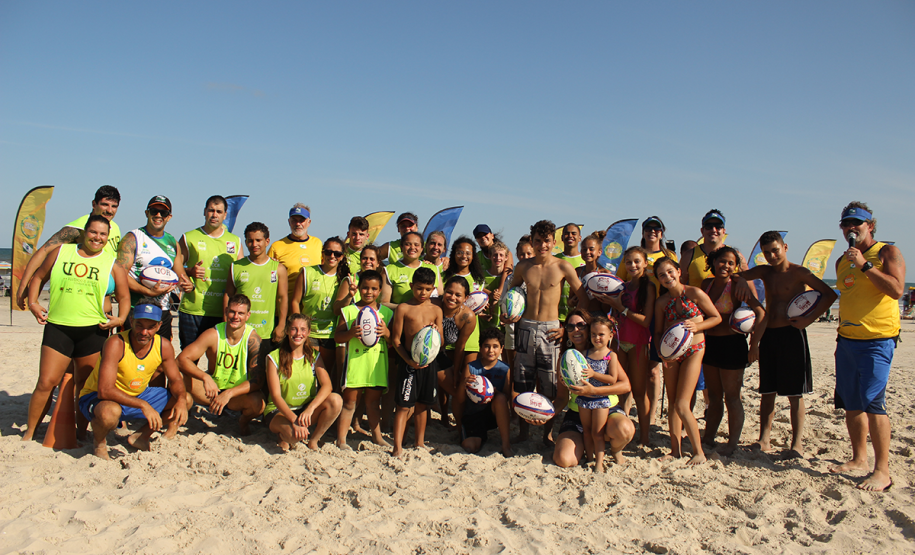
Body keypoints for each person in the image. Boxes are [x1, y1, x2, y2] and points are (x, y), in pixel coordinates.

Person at [23, 215, 130, 442]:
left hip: (93, 331)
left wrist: (120, 319)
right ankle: (30, 433)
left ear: (107, 237)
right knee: (46, 382)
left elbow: (124, 296)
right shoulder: (61, 252)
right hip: (59, 327)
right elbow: (39, 276)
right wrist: (33, 303)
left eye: (102, 234)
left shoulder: (112, 263)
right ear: (84, 232)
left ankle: (81, 433)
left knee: (84, 387)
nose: (97, 238)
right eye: (93, 232)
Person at [733, 231, 835, 459]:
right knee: (767, 391)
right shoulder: (765, 272)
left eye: (775, 250)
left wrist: (809, 319)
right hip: (769, 334)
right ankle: (764, 439)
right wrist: (740, 278)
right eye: (766, 252)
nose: (771, 256)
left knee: (794, 393)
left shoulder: (800, 272)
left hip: (792, 334)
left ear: (785, 247)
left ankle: (797, 444)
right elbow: (739, 275)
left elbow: (828, 294)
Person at [828, 203, 904, 492]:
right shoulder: (841, 261)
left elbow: (897, 290)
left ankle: (882, 470)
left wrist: (865, 265)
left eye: (857, 223)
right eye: (847, 223)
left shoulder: (887, 253)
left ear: (870, 225)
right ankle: (859, 459)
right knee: (852, 402)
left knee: (874, 404)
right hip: (847, 340)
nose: (852, 228)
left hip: (877, 341)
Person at [507, 220, 590, 446]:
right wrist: (508, 314)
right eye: (537, 241)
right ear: (531, 242)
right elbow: (513, 293)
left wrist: (567, 328)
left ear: (554, 242)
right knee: (523, 382)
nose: (542, 245)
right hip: (525, 327)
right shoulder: (523, 267)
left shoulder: (563, 266)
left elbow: (582, 298)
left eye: (546, 241)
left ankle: (547, 435)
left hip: (551, 329)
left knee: (549, 385)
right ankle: (524, 433)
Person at [78, 300, 188, 459]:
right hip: (98, 397)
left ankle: (141, 436)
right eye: (139, 325)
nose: (144, 332)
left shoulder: (163, 345)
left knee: (185, 400)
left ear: (158, 326)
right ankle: (99, 443)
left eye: (150, 327)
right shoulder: (116, 343)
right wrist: (143, 405)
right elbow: (104, 390)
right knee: (109, 413)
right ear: (131, 321)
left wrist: (182, 400)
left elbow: (176, 380)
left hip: (136, 394)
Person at [653, 257, 721, 465]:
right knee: (673, 403)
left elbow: (716, 317)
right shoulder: (662, 302)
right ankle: (675, 451)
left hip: (694, 350)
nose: (667, 277)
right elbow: (657, 332)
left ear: (679, 271)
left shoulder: (695, 293)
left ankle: (698, 452)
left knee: (683, 404)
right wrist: (661, 353)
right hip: (671, 354)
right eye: (662, 275)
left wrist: (697, 326)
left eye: (670, 272)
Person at [699, 246, 766, 456]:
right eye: (722, 261)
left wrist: (754, 344)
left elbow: (761, 312)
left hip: (733, 345)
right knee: (714, 396)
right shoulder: (706, 284)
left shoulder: (737, 285)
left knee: (732, 397)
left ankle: (732, 442)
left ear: (735, 267)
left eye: (730, 263)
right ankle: (709, 437)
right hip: (710, 345)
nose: (725, 266)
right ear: (713, 261)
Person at [17, 185, 122, 310]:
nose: (109, 210)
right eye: (105, 204)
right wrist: (24, 288)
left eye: (114, 206)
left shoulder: (114, 227)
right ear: (94, 204)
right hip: (77, 296)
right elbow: (44, 252)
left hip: (103, 299)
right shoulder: (78, 228)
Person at [553, 309, 635, 468]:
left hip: (606, 407)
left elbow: (625, 385)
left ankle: (615, 450)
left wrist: (595, 391)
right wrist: (545, 415)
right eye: (570, 327)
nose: (575, 330)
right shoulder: (565, 359)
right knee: (564, 459)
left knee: (624, 430)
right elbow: (562, 398)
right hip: (578, 412)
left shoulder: (605, 355)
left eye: (580, 325)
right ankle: (586, 448)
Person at [176, 294, 265, 435]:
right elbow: (181, 359)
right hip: (212, 391)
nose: (235, 316)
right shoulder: (213, 334)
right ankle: (175, 417)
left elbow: (257, 381)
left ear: (248, 315)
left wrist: (229, 393)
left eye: (240, 313)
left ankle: (243, 422)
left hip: (236, 395)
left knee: (258, 403)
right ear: (226, 311)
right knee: (177, 376)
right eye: (232, 312)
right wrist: (205, 378)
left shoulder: (253, 339)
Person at [264, 313, 343, 451]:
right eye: (294, 329)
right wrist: (294, 419)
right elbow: (276, 396)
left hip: (304, 409)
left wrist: (310, 408)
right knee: (294, 436)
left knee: (336, 400)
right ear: (287, 331)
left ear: (308, 332)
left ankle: (313, 440)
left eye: (302, 329)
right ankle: (282, 435)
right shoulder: (274, 357)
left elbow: (327, 386)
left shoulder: (313, 355)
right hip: (280, 411)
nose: (298, 333)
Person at [334, 270, 393, 448]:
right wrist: (350, 333)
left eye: (374, 289)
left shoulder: (387, 314)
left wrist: (387, 333)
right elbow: (337, 337)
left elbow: (393, 342)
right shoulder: (348, 311)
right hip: (355, 364)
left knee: (373, 404)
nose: (369, 292)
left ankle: (377, 437)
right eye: (365, 288)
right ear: (358, 288)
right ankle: (341, 439)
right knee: (350, 402)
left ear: (380, 290)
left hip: (376, 365)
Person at [604, 247, 656, 446]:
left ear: (645, 263)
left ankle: (644, 437)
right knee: (616, 390)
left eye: (636, 261)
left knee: (639, 393)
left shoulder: (648, 287)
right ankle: (616, 432)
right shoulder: (622, 286)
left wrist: (621, 308)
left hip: (637, 344)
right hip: (618, 342)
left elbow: (645, 320)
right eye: (628, 262)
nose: (632, 265)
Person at [389, 267, 443, 458]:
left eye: (427, 289)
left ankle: (419, 442)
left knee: (422, 405)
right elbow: (396, 340)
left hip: (429, 365)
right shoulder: (404, 308)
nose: (423, 293)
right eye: (419, 288)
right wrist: (408, 361)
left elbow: (441, 342)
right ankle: (397, 446)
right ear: (411, 286)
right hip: (408, 364)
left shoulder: (436, 310)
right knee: (403, 406)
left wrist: (435, 331)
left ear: (433, 289)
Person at [177, 195, 242, 349]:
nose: (214, 215)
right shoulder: (189, 237)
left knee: (218, 361)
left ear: (225, 215)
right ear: (204, 212)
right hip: (193, 309)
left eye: (219, 211)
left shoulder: (235, 241)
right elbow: (176, 267)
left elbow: (240, 275)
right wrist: (189, 271)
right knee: (188, 357)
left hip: (222, 311)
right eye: (211, 210)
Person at [115, 195, 183, 340]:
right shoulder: (132, 238)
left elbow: (180, 275)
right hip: (135, 308)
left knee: (160, 357)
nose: (158, 215)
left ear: (169, 217)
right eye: (154, 211)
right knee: (128, 357)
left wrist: (188, 283)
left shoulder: (172, 242)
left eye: (163, 212)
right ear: (147, 213)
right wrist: (148, 291)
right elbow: (119, 275)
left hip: (161, 310)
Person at [292, 236, 350, 390]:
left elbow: (339, 309)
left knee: (326, 374)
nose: (332, 256)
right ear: (323, 253)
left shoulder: (344, 278)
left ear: (342, 257)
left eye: (337, 254)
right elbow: (295, 301)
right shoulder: (307, 272)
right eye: (329, 252)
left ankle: (322, 409)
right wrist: (299, 328)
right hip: (309, 333)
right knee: (308, 374)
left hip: (330, 333)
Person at [225, 222, 288, 346]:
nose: (254, 244)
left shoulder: (278, 268)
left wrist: (281, 325)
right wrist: (226, 321)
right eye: (250, 241)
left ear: (267, 241)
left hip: (266, 332)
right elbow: (228, 295)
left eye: (258, 240)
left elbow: (282, 298)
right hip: (239, 331)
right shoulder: (236, 266)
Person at [576, 315, 621, 473]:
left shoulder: (611, 356)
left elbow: (612, 379)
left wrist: (594, 374)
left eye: (601, 334)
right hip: (583, 399)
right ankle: (589, 458)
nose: (597, 338)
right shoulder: (584, 353)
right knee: (587, 431)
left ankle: (599, 463)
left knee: (598, 432)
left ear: (610, 335)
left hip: (601, 399)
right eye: (593, 334)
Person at [460, 328, 513, 457]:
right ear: (480, 347)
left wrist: (494, 393)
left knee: (500, 398)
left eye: (495, 347)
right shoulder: (471, 368)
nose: (491, 350)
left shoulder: (505, 369)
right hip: (474, 414)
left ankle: (506, 445)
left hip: (493, 414)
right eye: (487, 346)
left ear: (501, 349)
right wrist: (464, 385)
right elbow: (459, 399)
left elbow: (507, 397)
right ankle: (478, 435)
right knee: (470, 447)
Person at [434, 276, 478, 429]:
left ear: (466, 298)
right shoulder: (434, 305)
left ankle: (461, 427)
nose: (452, 297)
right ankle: (445, 419)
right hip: (424, 353)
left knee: (457, 389)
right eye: (449, 292)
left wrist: (456, 372)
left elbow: (460, 347)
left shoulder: (468, 317)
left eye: (458, 295)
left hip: (440, 354)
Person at [267, 204, 322, 301]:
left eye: (302, 220)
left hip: (311, 307)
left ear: (309, 222)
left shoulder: (318, 243)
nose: (298, 224)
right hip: (286, 305)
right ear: (289, 222)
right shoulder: (277, 246)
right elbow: (267, 276)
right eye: (294, 220)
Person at [382, 231, 442, 310]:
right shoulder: (389, 270)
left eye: (416, 245)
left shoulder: (433, 268)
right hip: (400, 319)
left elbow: (441, 298)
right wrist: (409, 309)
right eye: (408, 244)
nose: (412, 247)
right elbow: (383, 303)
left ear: (422, 248)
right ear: (401, 247)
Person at [554, 223, 584, 324]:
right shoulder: (554, 259)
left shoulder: (585, 260)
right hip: (556, 317)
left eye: (573, 233)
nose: (570, 236)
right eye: (567, 233)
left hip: (578, 318)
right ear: (562, 238)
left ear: (579, 238)